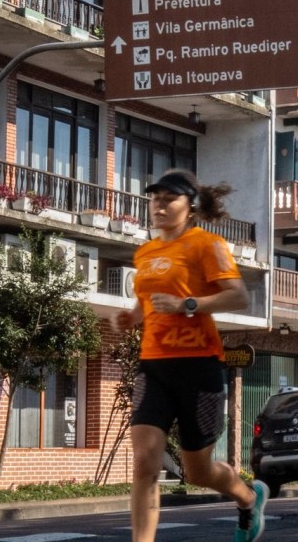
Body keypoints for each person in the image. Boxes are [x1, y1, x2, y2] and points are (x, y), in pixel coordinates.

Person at [112, 169, 268, 542]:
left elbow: (238, 296)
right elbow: (148, 297)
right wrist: (132, 316)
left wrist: (188, 303)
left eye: (170, 199)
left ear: (191, 206)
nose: (160, 205)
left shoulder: (207, 245)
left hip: (199, 367)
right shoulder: (146, 250)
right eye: (155, 198)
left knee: (196, 472)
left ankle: (248, 497)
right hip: (154, 366)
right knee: (144, 463)